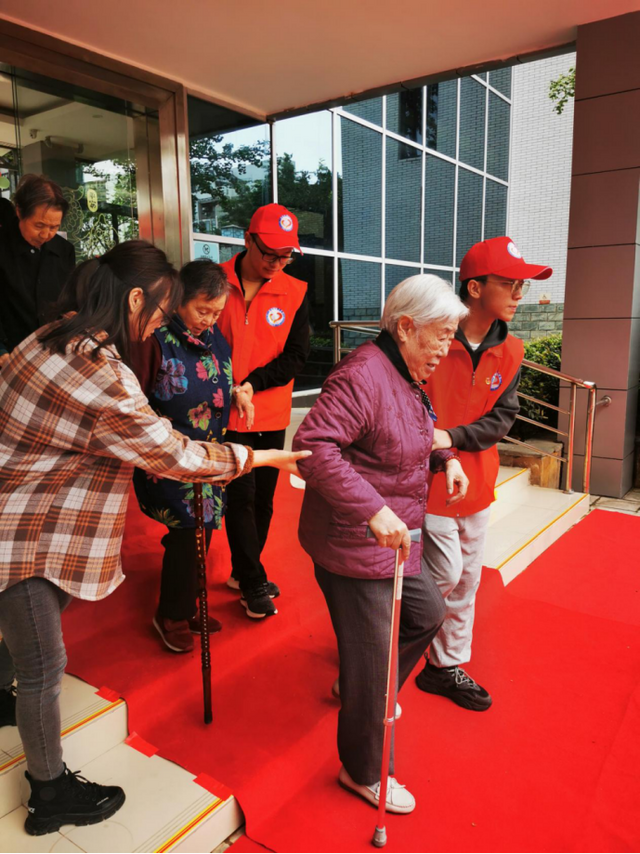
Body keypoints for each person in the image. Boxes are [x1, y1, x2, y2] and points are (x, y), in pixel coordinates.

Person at [0, 240, 308, 837]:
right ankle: (49, 793)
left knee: (26, 628)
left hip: (30, 507)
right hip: (26, 526)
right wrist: (263, 455)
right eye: (164, 310)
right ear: (137, 299)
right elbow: (169, 453)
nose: (163, 323)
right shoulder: (102, 372)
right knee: (44, 663)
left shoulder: (50, 335)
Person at [293, 275, 469, 814]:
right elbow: (313, 447)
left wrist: (446, 458)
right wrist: (372, 509)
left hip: (394, 540)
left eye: (451, 335)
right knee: (373, 664)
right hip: (354, 542)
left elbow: (411, 429)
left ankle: (366, 690)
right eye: (441, 335)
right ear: (406, 326)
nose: (447, 347)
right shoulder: (363, 374)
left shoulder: (405, 369)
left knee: (428, 612)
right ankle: (364, 769)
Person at [415, 237, 552, 711]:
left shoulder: (510, 349)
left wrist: (451, 438)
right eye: (511, 284)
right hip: (426, 485)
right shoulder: (430, 334)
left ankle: (443, 666)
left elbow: (501, 419)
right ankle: (384, 645)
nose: (520, 294)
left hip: (478, 482)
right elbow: (404, 400)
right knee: (442, 575)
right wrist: (436, 445)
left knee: (468, 580)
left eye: (522, 286)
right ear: (474, 287)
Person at [131, 259, 239, 652]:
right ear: (178, 300)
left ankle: (189, 603)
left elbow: (225, 374)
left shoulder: (212, 335)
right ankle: (171, 614)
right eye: (201, 310)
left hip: (209, 455)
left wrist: (238, 390)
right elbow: (134, 400)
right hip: (170, 456)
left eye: (216, 312)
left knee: (203, 529)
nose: (208, 320)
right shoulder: (154, 337)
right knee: (188, 530)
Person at [218, 203, 310, 619]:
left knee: (264, 501)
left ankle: (243, 572)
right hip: (223, 412)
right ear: (247, 240)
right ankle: (254, 581)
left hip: (269, 412)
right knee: (239, 495)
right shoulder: (214, 282)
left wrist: (253, 383)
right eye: (270, 253)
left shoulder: (295, 292)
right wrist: (231, 388)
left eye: (285, 256)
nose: (277, 263)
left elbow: (296, 357)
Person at [0, 174, 76, 367]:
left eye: (54, 227)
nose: (46, 234)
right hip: (10, 354)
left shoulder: (64, 250)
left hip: (52, 354)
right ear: (19, 212)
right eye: (39, 225)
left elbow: (68, 299)